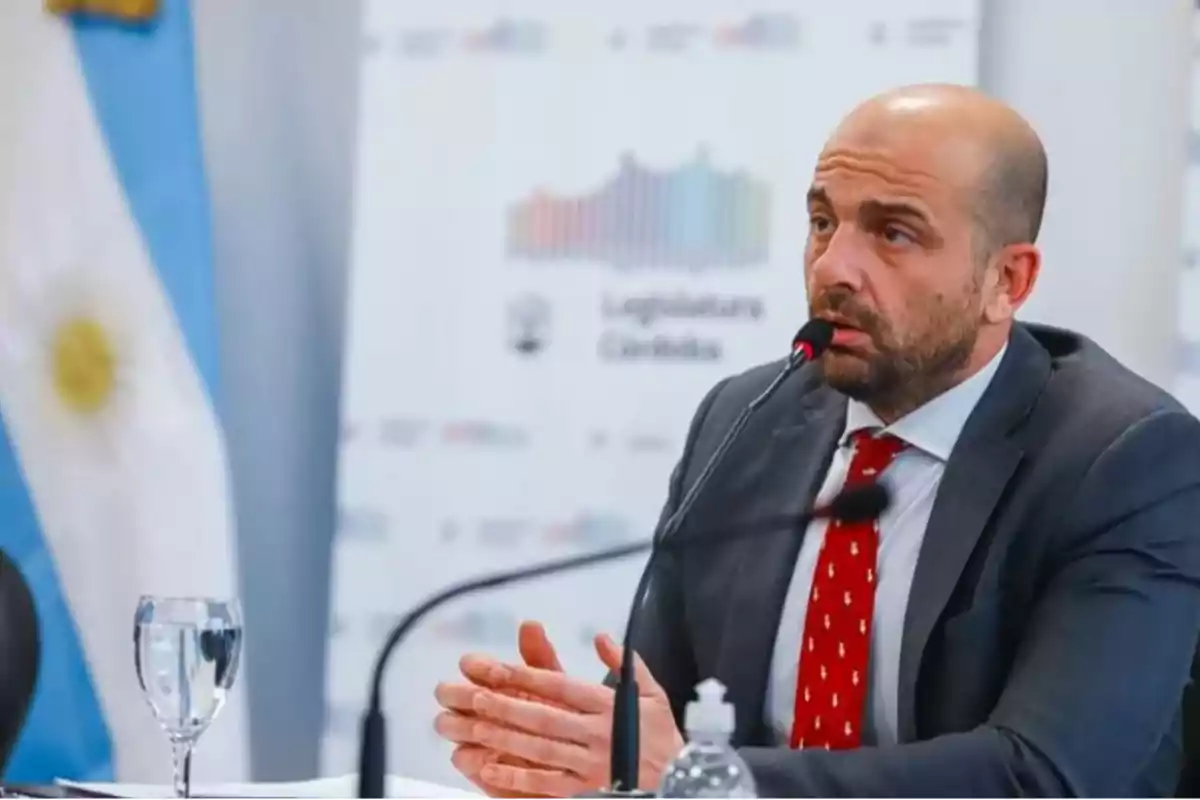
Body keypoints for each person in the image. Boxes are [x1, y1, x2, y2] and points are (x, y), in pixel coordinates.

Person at [432, 83, 1200, 797]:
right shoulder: (745, 421)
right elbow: (662, 722)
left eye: (894, 233)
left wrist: (714, 780)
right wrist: (585, 759)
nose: (833, 267)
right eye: (823, 221)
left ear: (1010, 281)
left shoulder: (1126, 459)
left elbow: (1044, 777)